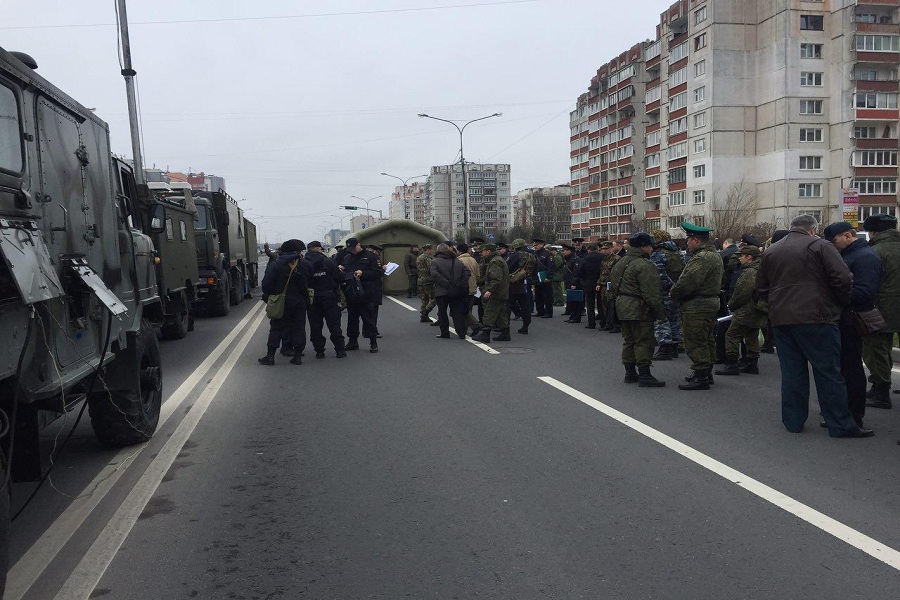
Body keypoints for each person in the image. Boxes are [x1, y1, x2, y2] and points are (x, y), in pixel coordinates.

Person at [756, 214, 873, 438]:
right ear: (813, 229)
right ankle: (840, 424)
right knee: (828, 372)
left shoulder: (772, 250)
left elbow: (761, 287)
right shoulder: (820, 246)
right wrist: (839, 300)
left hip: (782, 320)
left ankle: (793, 421)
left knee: (792, 373)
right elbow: (843, 278)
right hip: (817, 318)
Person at [822, 221, 881, 427]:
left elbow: (865, 292)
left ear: (848, 235)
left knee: (851, 368)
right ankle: (841, 412)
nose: (832, 244)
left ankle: (854, 416)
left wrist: (831, 294)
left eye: (834, 240)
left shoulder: (865, 258)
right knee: (841, 368)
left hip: (851, 320)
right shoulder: (850, 255)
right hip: (842, 318)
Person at [669, 222, 724, 390]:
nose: (687, 244)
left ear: (696, 240)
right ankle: (706, 373)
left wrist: (674, 293)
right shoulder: (713, 255)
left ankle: (701, 376)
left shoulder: (702, 258)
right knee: (706, 339)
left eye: (689, 240)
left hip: (697, 304)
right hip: (708, 302)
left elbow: (687, 282)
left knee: (695, 340)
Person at [610, 232, 667, 387]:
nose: (652, 249)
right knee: (643, 340)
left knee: (628, 340)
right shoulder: (645, 265)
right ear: (643, 247)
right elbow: (651, 293)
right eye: (650, 246)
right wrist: (661, 313)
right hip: (639, 307)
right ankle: (645, 374)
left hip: (622, 305)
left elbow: (614, 285)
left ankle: (630, 373)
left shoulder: (620, 262)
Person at [861, 214, 900, 409]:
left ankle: (881, 391)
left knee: (876, 349)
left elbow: (868, 282)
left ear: (873, 231)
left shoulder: (875, 251)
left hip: (882, 308)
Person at [715, 246, 767, 376]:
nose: (739, 258)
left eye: (741, 256)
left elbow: (742, 293)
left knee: (731, 335)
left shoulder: (750, 272)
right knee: (751, 335)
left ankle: (732, 364)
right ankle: (752, 364)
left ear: (749, 257)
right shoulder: (761, 269)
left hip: (747, 309)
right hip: (758, 309)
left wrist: (731, 305)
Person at [258, 239, 312, 365]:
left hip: (281, 301)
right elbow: (310, 281)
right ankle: (297, 356)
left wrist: (270, 294)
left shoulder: (276, 264)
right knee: (299, 327)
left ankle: (270, 356)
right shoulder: (306, 264)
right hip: (300, 301)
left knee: (276, 328)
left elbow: (266, 284)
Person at [304, 241, 347, 359]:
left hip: (312, 298)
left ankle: (319, 351)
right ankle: (340, 350)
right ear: (319, 249)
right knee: (334, 324)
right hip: (329, 297)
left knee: (315, 325)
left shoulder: (304, 263)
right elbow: (339, 277)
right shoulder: (328, 261)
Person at [341, 238, 383, 353]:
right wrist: (342, 271)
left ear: (359, 245)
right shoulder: (347, 258)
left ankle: (373, 342)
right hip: (352, 293)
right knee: (352, 319)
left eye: (354, 248)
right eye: (350, 249)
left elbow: (378, 272)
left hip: (366, 292)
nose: (352, 250)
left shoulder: (371, 257)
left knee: (368, 319)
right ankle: (352, 341)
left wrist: (363, 273)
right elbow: (346, 274)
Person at [649, 230, 685, 359]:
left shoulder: (657, 254)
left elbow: (659, 275)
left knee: (661, 320)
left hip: (664, 292)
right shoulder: (678, 253)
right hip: (677, 290)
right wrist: (677, 288)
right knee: (675, 319)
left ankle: (665, 348)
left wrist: (669, 287)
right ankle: (675, 346)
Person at [430, 243, 472, 339]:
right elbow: (467, 272)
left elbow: (434, 274)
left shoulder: (435, 262)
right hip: (456, 290)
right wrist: (460, 282)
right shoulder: (457, 261)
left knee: (442, 312)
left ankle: (445, 333)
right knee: (457, 312)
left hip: (441, 291)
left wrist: (446, 283)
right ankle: (461, 333)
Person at [472, 244, 510, 343]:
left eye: (482, 251)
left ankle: (485, 334)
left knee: (489, 313)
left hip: (496, 292)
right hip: (501, 292)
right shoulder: (497, 259)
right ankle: (506, 333)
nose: (480, 253)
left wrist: (489, 290)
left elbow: (496, 278)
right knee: (501, 313)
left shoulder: (495, 261)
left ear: (488, 251)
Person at [508, 238, 535, 334]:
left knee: (508, 304)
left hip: (514, 283)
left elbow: (509, 267)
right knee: (525, 305)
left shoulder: (515, 255)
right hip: (526, 282)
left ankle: (505, 328)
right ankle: (525, 326)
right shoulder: (532, 255)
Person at [573, 243, 604, 329]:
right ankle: (603, 322)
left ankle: (591, 323)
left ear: (588, 250)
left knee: (590, 304)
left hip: (588, 283)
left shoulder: (584, 259)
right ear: (597, 249)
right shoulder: (603, 258)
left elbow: (579, 273)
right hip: (600, 283)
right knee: (601, 303)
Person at [455, 242, 480, 336]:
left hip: (462, 289)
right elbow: (478, 274)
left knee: (462, 310)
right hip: (472, 288)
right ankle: (469, 328)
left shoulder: (458, 261)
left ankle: (471, 327)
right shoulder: (473, 260)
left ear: (459, 251)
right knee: (468, 309)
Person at [599, 241, 621, 332]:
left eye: (606, 249)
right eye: (603, 249)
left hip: (612, 285)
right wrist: (598, 283)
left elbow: (618, 272)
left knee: (613, 305)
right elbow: (601, 272)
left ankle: (616, 325)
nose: (604, 251)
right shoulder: (604, 259)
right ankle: (608, 324)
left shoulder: (617, 258)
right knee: (605, 305)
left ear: (611, 248)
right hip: (604, 284)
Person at [531, 238, 554, 318]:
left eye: (536, 245)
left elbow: (550, 266)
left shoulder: (547, 254)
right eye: (534, 245)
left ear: (541, 244)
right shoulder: (535, 254)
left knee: (547, 296)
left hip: (545, 278)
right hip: (537, 278)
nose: (535, 246)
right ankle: (540, 311)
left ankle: (548, 312)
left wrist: (548, 276)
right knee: (538, 296)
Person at [561, 243, 583, 323]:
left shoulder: (575, 259)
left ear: (569, 251)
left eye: (564, 250)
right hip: (568, 282)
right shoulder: (567, 259)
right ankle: (572, 316)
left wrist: (574, 283)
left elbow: (576, 273)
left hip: (575, 284)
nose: (563, 252)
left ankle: (576, 317)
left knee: (576, 302)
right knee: (571, 301)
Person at [416, 244, 437, 323]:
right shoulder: (428, 258)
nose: (433, 251)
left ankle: (424, 316)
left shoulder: (419, 257)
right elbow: (431, 268)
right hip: (428, 281)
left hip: (421, 280)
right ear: (428, 249)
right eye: (432, 249)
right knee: (435, 298)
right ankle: (425, 312)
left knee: (424, 299)